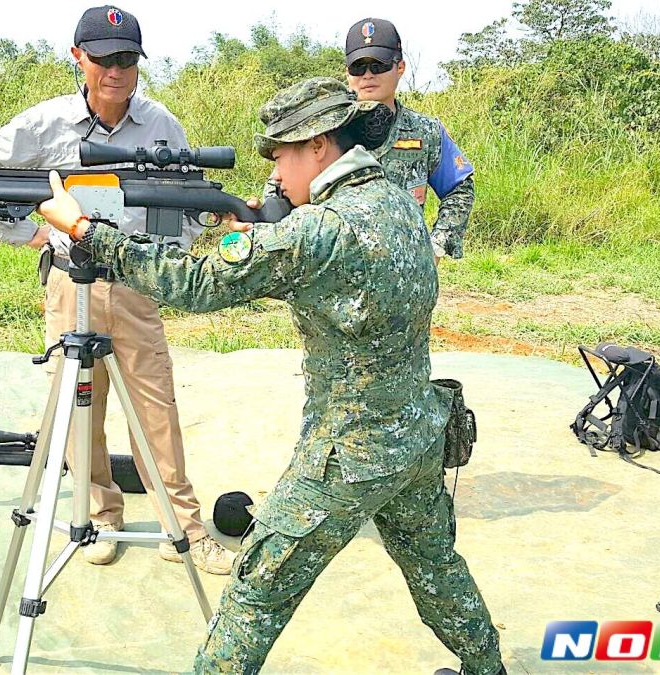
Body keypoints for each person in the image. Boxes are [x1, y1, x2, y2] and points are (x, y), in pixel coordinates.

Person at [36, 76, 505, 675]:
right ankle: (488, 668)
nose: (276, 172)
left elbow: (197, 284)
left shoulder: (318, 232)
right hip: (417, 435)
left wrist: (85, 232)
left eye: (281, 153)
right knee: (437, 568)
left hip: (348, 454)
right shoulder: (396, 201)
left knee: (256, 593)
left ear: (318, 145)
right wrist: (254, 230)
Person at [0, 5, 234, 575]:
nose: (115, 71)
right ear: (78, 58)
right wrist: (30, 234)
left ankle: (184, 527)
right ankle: (100, 517)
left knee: (155, 406)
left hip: (135, 282)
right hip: (69, 282)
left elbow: (186, 206)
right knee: (81, 409)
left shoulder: (161, 125)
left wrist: (213, 221)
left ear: (139, 64)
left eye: (127, 59)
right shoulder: (46, 123)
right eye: (104, 59)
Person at [343, 17, 476, 260]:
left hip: (405, 278)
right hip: (339, 279)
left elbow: (460, 187)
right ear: (348, 73)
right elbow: (283, 188)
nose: (368, 75)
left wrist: (438, 244)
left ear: (400, 67)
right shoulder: (326, 131)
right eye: (358, 67)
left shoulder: (426, 132)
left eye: (378, 65)